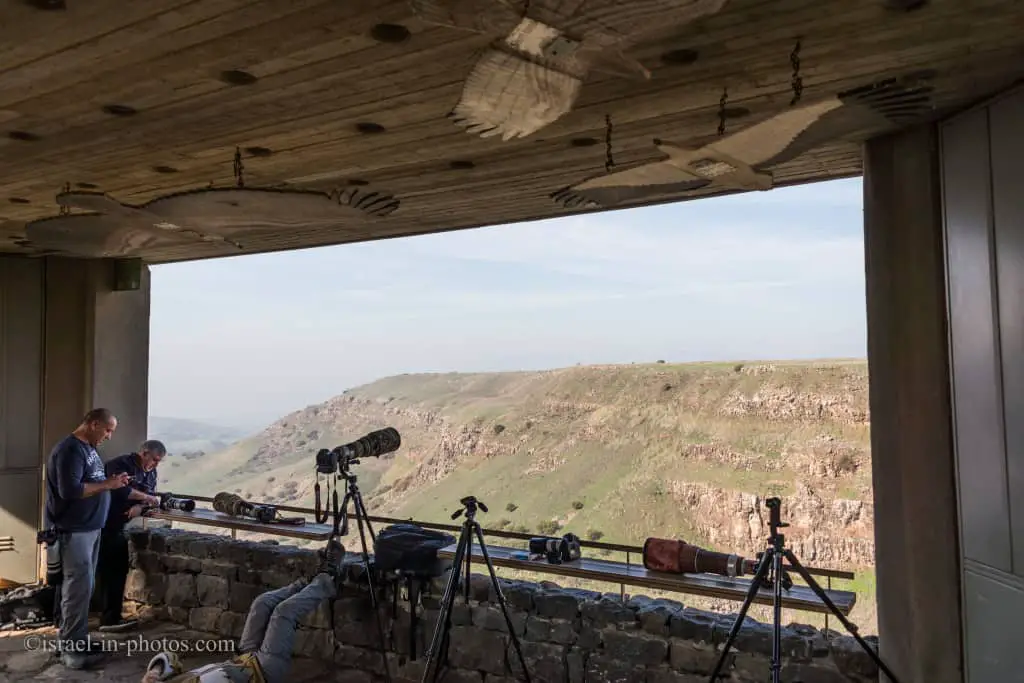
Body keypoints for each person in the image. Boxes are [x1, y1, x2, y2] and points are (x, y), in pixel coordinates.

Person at [141, 538, 346, 683]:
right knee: (282, 614)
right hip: (263, 674)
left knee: (261, 604)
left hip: (241, 661)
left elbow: (169, 658)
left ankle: (308, 580)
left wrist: (155, 672)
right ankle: (327, 578)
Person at [43, 408, 131, 670]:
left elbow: (91, 480)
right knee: (76, 588)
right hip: (74, 530)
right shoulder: (69, 450)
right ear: (93, 424)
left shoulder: (89, 449)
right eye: (108, 430)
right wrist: (108, 485)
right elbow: (69, 490)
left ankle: (76, 638)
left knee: (84, 588)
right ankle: (71, 648)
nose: (109, 436)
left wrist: (111, 481)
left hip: (90, 528)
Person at [94, 439, 165, 632]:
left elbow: (150, 500)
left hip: (118, 526)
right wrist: (145, 498)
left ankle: (109, 616)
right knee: (102, 572)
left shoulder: (151, 473)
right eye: (154, 460)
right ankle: (104, 618)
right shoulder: (120, 464)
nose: (156, 465)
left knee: (115, 572)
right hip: (101, 524)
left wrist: (139, 506)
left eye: (159, 462)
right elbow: (118, 489)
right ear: (144, 453)